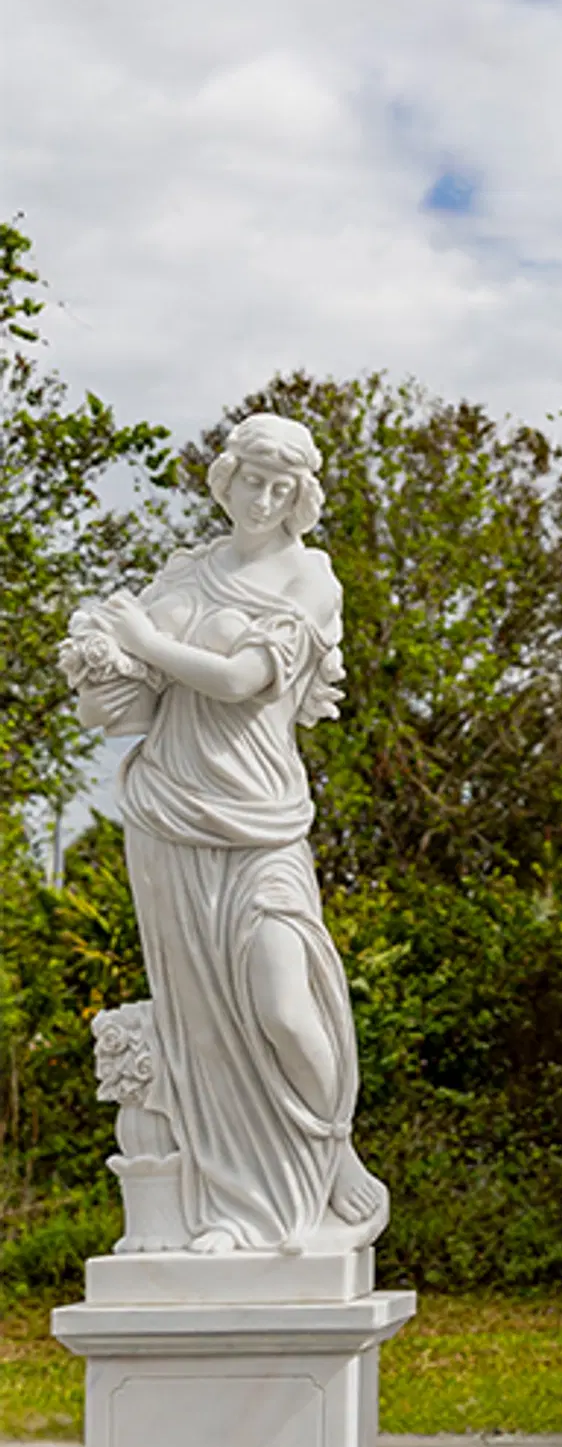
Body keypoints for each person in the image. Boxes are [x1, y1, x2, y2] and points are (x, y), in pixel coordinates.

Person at [59, 411, 387, 1253]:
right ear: (227, 478)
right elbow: (125, 698)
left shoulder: (309, 577)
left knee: (282, 1001)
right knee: (199, 1016)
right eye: (252, 480)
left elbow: (243, 680)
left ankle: (331, 1149)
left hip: (260, 816)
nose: (264, 498)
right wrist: (102, 658)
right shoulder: (188, 572)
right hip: (169, 810)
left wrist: (141, 640)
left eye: (283, 488)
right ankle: (236, 1209)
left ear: (299, 498)